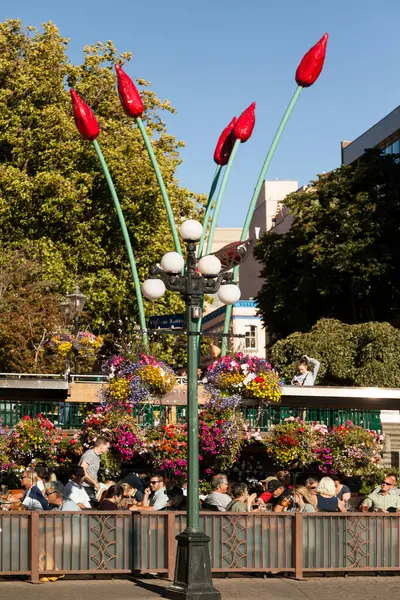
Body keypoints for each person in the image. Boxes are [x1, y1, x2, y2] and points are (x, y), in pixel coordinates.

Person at [79, 437, 110, 503]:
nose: (108, 450)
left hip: (90, 487)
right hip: (84, 487)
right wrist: (94, 482)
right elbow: (82, 470)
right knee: (91, 508)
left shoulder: (97, 456)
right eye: (107, 447)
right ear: (101, 446)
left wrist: (95, 483)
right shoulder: (90, 454)